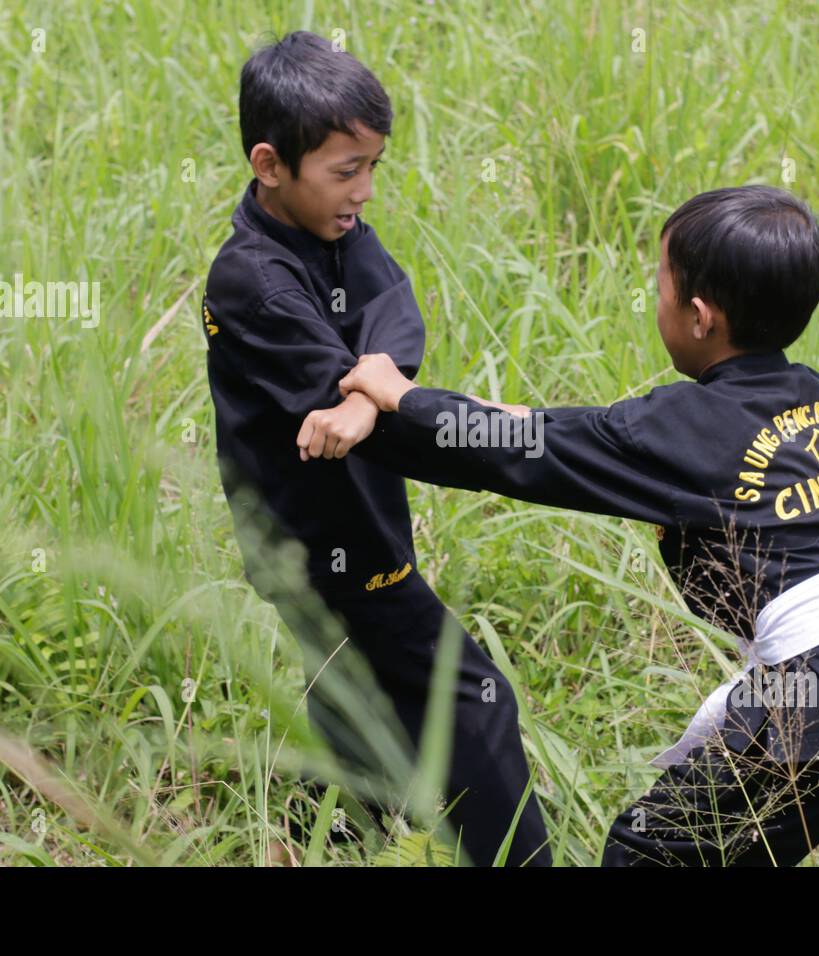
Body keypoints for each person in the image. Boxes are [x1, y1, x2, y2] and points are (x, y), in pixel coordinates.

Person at [309, 185, 819, 866]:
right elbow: (545, 430)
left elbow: (518, 449)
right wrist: (424, 404)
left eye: (662, 286)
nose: (657, 301)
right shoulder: (815, 399)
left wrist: (400, 397)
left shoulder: (681, 429)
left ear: (701, 318)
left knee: (649, 855)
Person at [201, 31, 550, 866]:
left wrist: (366, 395)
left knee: (356, 708)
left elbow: (395, 308)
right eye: (344, 169)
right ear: (269, 163)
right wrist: (466, 420)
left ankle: (308, 843)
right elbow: (379, 404)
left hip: (350, 526)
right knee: (472, 698)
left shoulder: (336, 232)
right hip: (326, 548)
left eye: (372, 168)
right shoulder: (250, 280)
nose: (363, 192)